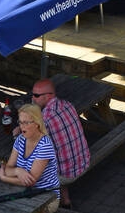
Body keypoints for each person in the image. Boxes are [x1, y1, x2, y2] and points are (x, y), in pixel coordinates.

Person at [30, 78, 89, 206]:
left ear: (48, 96)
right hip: (83, 161)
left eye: (36, 95)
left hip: (67, 173)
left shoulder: (45, 119)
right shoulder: (67, 104)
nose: (33, 99)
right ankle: (66, 200)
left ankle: (42, 206)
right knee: (57, 152)